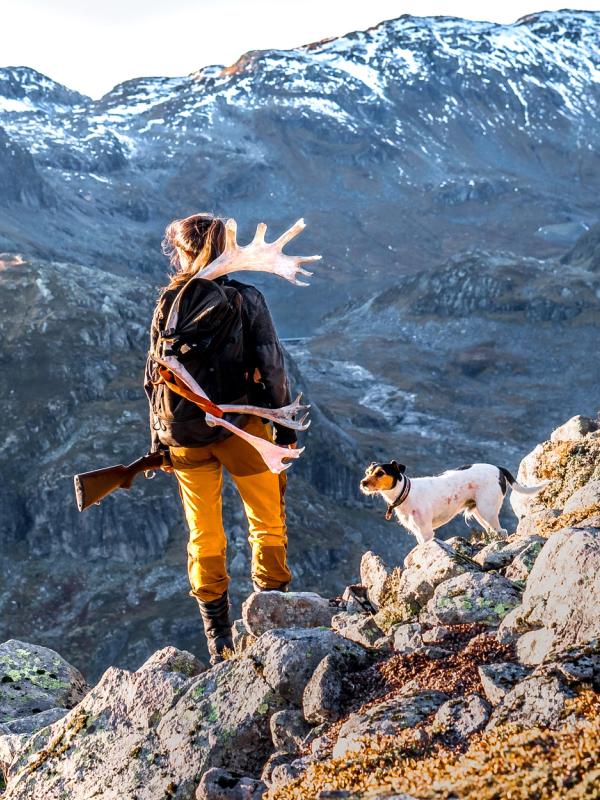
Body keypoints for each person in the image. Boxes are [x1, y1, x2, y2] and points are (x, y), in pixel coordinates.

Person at [144, 212, 297, 664]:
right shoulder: (246, 298)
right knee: (266, 519)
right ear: (224, 246)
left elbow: (154, 375)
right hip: (241, 429)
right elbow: (271, 365)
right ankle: (275, 615)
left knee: (203, 531)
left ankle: (218, 640)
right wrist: (284, 430)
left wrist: (159, 441)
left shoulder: (169, 301)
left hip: (183, 433)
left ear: (183, 251)